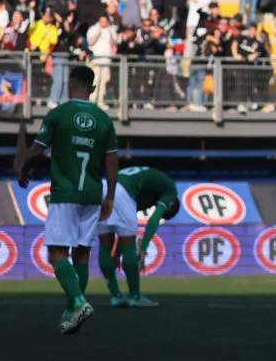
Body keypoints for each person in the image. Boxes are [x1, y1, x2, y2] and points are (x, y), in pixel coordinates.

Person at [16, 66, 118, 335]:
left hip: (65, 193)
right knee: (81, 254)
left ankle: (80, 302)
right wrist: (110, 196)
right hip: (92, 195)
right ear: (92, 89)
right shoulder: (104, 119)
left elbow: (37, 149)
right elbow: (112, 160)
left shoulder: (58, 114)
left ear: (69, 84)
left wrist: (24, 168)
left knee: (57, 253)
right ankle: (71, 312)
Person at [98, 166, 180, 308]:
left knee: (105, 243)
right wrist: (143, 249)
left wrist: (117, 254)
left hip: (102, 186)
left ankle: (116, 296)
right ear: (171, 205)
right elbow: (154, 220)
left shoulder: (143, 194)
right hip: (121, 190)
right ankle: (135, 296)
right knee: (129, 243)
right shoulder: (171, 191)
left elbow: (121, 231)